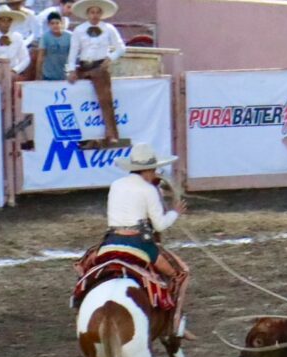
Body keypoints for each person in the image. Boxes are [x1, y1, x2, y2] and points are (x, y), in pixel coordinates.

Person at [100, 142, 192, 338]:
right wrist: (175, 213)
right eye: (155, 170)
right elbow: (159, 225)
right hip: (138, 244)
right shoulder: (148, 189)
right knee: (180, 273)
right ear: (149, 169)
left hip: (110, 241)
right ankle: (174, 324)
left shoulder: (116, 185)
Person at [66, 0, 125, 145]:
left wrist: (110, 58)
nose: (95, 15)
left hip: (99, 67)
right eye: (92, 12)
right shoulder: (79, 30)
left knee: (105, 99)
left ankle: (111, 134)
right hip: (83, 66)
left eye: (98, 12)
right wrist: (71, 69)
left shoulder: (108, 28)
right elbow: (73, 51)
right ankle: (81, 135)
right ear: (87, 13)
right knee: (75, 97)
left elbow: (121, 47)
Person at [0, 7, 31, 78]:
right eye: (3, 21)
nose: (6, 24)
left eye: (8, 21)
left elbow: (25, 58)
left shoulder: (17, 37)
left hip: (12, 71)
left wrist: (15, 70)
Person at [36, 12, 71, 81]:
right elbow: (40, 57)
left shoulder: (70, 36)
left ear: (62, 23)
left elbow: (72, 56)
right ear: (48, 25)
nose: (55, 26)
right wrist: (38, 75)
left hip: (65, 75)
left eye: (57, 23)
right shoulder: (45, 37)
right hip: (48, 75)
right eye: (52, 23)